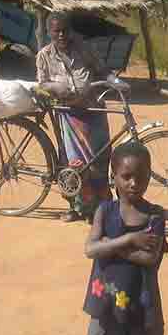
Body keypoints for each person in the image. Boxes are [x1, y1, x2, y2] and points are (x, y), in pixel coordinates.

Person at [78, 141, 168, 335]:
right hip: (110, 305)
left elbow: (150, 260)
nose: (134, 183)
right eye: (126, 176)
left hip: (141, 305)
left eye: (141, 177)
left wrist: (111, 247)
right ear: (113, 176)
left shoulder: (156, 215)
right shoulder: (105, 210)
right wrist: (129, 239)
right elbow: (90, 249)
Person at [36, 11, 112, 223]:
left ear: (71, 31)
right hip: (68, 116)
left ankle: (101, 209)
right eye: (56, 31)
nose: (61, 35)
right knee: (74, 164)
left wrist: (115, 81)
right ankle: (77, 208)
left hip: (93, 112)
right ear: (50, 32)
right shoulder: (44, 55)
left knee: (99, 161)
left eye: (65, 30)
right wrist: (56, 87)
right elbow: (42, 83)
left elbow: (104, 70)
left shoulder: (85, 49)